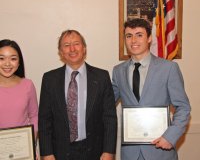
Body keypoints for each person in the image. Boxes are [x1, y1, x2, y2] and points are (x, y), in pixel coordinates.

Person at [112, 18, 191, 160]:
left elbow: (183, 107)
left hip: (160, 150)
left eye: (139, 35)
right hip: (130, 154)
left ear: (149, 38)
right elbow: (107, 102)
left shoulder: (168, 68)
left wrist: (170, 137)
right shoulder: (118, 71)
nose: (133, 40)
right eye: (129, 36)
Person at [38, 29, 117, 160]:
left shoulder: (102, 77)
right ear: (61, 52)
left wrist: (109, 151)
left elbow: (109, 118)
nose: (72, 49)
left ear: (84, 48)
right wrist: (46, 153)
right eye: (66, 45)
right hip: (59, 152)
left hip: (94, 151)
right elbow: (44, 120)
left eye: (76, 44)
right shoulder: (49, 79)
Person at [0, 39, 38, 138]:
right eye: (1, 58)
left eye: (13, 59)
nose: (7, 64)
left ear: (19, 62)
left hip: (24, 148)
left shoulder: (28, 85)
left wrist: (31, 140)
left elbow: (34, 116)